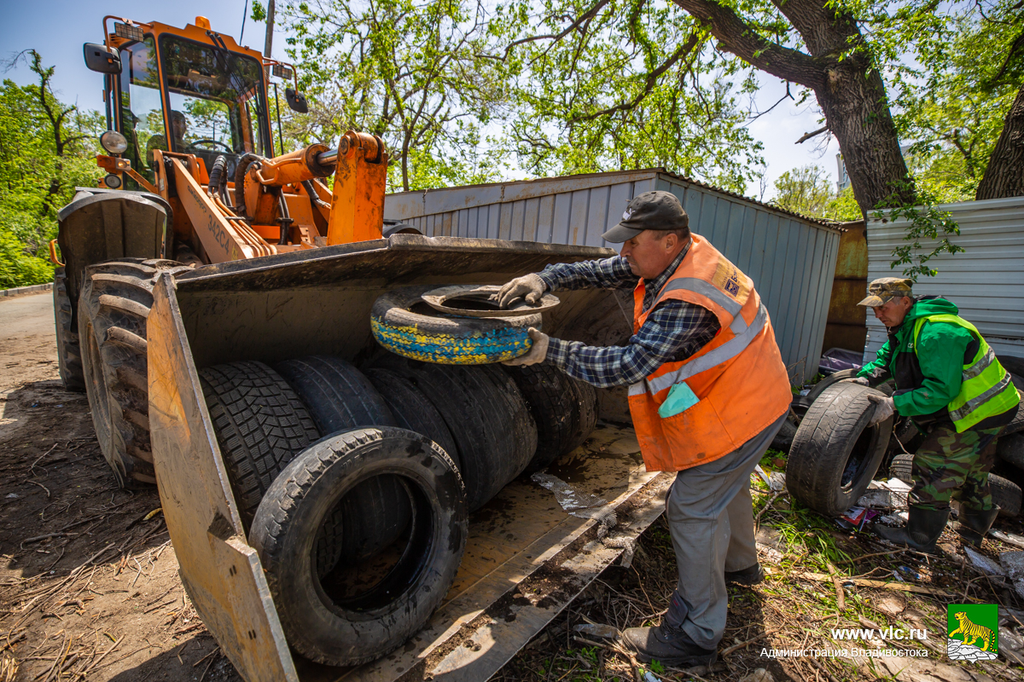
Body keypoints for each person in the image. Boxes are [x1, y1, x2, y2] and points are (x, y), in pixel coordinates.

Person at [495, 190, 792, 668]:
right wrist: (542, 276)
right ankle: (740, 566)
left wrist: (547, 350)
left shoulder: (688, 298)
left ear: (671, 240)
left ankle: (694, 634)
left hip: (744, 408)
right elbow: (600, 270)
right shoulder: (677, 256)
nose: (624, 253)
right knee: (726, 486)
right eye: (624, 242)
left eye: (633, 243)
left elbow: (627, 365)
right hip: (759, 391)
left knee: (692, 507)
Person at [855, 278, 1020, 552]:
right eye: (874, 308)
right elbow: (888, 358)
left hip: (979, 410)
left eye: (882, 307)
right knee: (972, 470)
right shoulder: (904, 326)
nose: (877, 314)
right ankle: (973, 530)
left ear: (905, 302)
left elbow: (941, 390)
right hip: (992, 405)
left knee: (934, 464)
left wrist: (894, 404)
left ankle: (919, 538)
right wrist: (863, 379)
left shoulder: (937, 332)